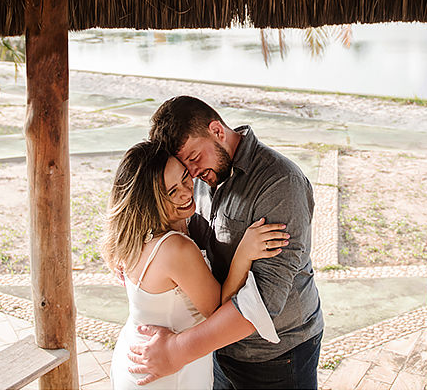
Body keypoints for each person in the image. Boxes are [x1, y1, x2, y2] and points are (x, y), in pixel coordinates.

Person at [128, 96, 324, 389]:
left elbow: (263, 303)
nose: (192, 175)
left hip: (276, 356)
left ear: (217, 131)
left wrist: (176, 351)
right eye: (185, 167)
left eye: (194, 159)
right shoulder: (200, 175)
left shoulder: (280, 184)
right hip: (216, 349)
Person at [104, 140, 289, 390]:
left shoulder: (131, 235)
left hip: (135, 352)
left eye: (184, 177)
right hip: (168, 373)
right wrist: (243, 254)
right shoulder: (176, 249)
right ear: (148, 200)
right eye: (171, 192)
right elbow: (217, 310)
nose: (187, 192)